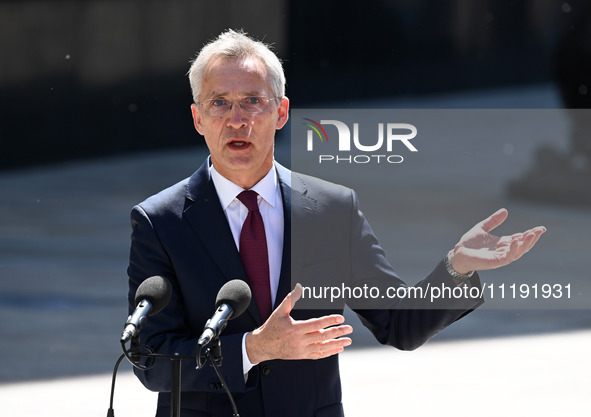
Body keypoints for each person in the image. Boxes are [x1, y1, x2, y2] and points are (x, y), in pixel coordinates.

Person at [127, 29, 546, 417]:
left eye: (253, 100)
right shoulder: (161, 221)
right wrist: (253, 349)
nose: (237, 119)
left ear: (281, 112)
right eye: (219, 102)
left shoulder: (331, 210)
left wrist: (457, 267)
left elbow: (399, 323)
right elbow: (152, 360)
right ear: (198, 118)